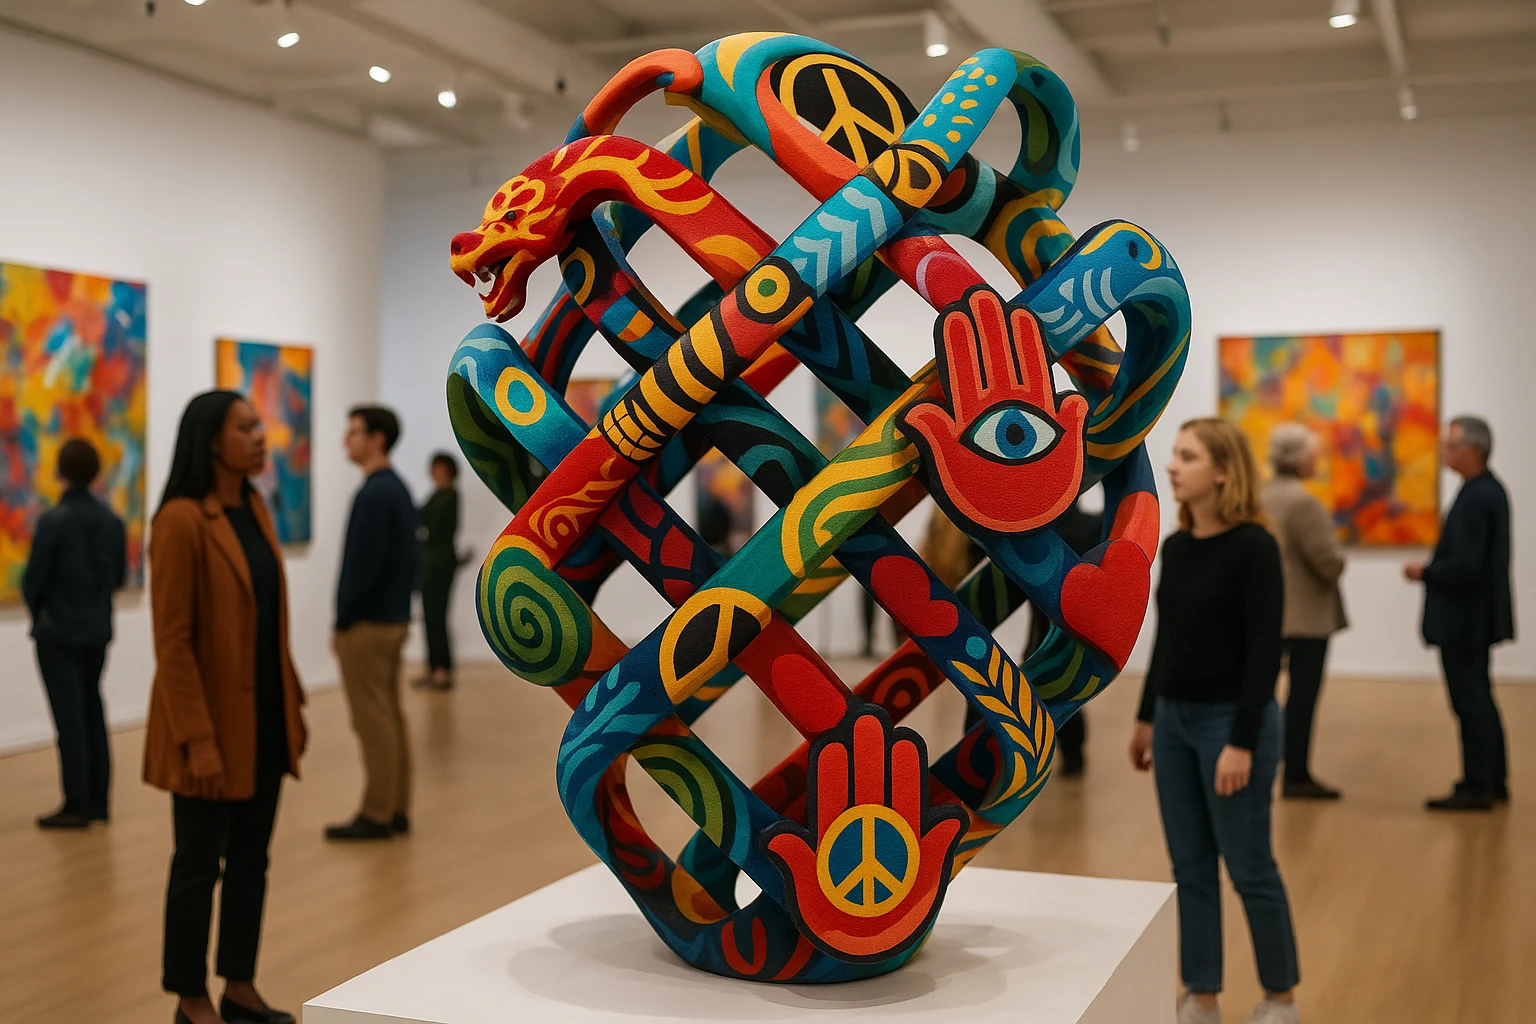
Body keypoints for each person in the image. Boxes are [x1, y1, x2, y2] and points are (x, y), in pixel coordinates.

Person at [1130, 418, 1300, 1024]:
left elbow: (1265, 653)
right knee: (1191, 868)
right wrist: (1148, 717)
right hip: (1175, 722)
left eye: (1188, 456)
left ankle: (1280, 997)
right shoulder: (1175, 547)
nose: (1172, 466)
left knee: (1249, 866)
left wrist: (1242, 741)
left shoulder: (1255, 546)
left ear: (1223, 471)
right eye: (1174, 455)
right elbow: (1168, 639)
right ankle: (1202, 994)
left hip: (1231, 723)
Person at [146, 391, 306, 1024]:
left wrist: (293, 701)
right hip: (208, 728)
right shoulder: (181, 521)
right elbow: (173, 646)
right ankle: (190, 999)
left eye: (258, 426)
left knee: (250, 861)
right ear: (212, 440)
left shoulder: (256, 509)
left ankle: (239, 986)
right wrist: (198, 742)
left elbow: (270, 622)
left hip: (264, 719)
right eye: (245, 428)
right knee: (196, 865)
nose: (260, 437)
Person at [1404, 415, 1514, 812]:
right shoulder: (1484, 491)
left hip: (1465, 619)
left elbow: (1467, 566)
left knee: (1470, 702)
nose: (1444, 452)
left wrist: (1424, 572)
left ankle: (1477, 786)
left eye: (1452, 445)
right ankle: (1493, 781)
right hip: (1474, 618)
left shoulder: (1478, 496)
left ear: (1475, 450)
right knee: (1479, 698)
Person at [22, 438, 127, 829]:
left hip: (59, 632)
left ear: (60, 472)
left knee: (70, 718)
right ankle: (98, 802)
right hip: (97, 629)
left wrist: (42, 614)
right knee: (92, 711)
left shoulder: (53, 522)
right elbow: (117, 577)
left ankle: (76, 803)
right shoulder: (111, 523)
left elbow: (34, 581)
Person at [326, 405, 419, 841]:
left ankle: (378, 813)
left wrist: (342, 621)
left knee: (372, 720)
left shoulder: (374, 494)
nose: (347, 439)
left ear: (377, 438)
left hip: (368, 624)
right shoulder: (396, 489)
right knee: (389, 715)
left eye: (355, 431)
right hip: (392, 618)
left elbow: (360, 569)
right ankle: (396, 807)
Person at [1260, 424, 1347, 800]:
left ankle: (1264, 764)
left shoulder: (1260, 495)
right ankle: (1296, 775)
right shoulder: (1303, 503)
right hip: (1307, 618)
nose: (1317, 460)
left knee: (1263, 692)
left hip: (1272, 611)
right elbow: (1328, 563)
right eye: (1312, 454)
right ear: (1297, 459)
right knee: (1302, 698)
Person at [1030, 497, 1103, 776]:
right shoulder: (1089, 526)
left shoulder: (1040, 532)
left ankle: (1067, 753)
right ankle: (1070, 754)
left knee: (1055, 684)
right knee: (1060, 685)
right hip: (1064, 625)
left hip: (1056, 625)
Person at [415, 452, 462, 692]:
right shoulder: (436, 495)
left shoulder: (450, 495)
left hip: (441, 563)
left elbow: (433, 524)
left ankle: (442, 669)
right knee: (429, 615)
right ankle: (434, 667)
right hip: (431, 562)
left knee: (437, 615)